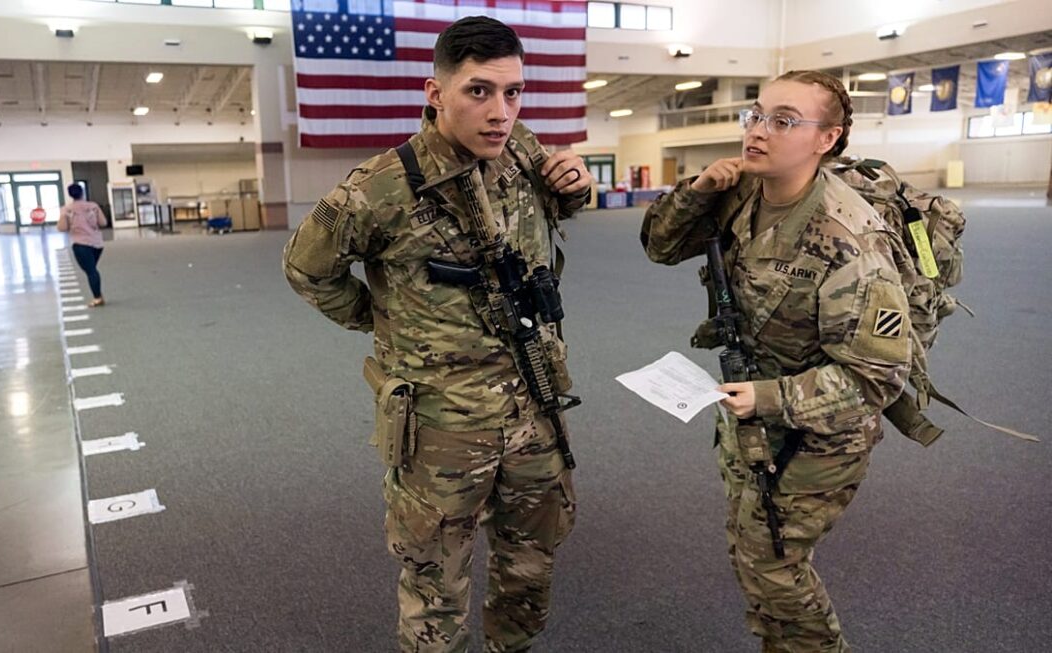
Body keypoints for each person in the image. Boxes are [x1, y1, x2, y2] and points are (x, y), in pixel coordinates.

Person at [283, 16, 593, 653]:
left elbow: (557, 208)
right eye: (479, 91)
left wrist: (579, 187)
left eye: (513, 92)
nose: (499, 111)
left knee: (531, 565)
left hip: (535, 404)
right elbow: (307, 268)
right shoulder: (380, 188)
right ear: (435, 92)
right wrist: (379, 318)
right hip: (441, 426)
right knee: (435, 587)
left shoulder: (525, 153)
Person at [641, 70, 914, 652]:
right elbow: (660, 246)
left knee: (774, 562)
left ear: (827, 138)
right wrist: (699, 191)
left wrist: (770, 398)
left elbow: (874, 379)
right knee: (751, 548)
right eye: (757, 115)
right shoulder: (741, 190)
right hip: (750, 408)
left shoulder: (850, 240)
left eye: (784, 121)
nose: (759, 131)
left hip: (822, 431)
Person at [58, 183, 108, 307]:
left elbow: (62, 227)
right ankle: (98, 294)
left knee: (90, 270)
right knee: (92, 269)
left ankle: (97, 298)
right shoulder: (93, 206)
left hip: (80, 244)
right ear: (82, 193)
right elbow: (103, 222)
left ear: (70, 194)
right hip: (97, 243)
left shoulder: (67, 209)